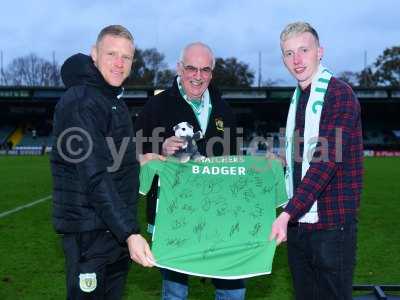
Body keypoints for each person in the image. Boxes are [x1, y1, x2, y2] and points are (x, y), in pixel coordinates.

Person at [51, 25, 157, 300]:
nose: (119, 63)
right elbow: (94, 175)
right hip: (90, 232)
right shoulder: (81, 101)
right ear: (94, 54)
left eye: (126, 57)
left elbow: (111, 157)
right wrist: (130, 233)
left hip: (113, 231)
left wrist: (140, 160)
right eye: (112, 54)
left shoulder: (111, 99)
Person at [134, 42, 245, 300]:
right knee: (175, 290)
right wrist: (160, 148)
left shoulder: (225, 111)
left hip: (219, 213)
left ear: (212, 73)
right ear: (179, 68)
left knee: (233, 287)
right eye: (191, 68)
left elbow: (236, 161)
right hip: (174, 214)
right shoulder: (157, 106)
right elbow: (131, 149)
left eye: (205, 70)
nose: (198, 76)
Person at [269, 22, 363, 299]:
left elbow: (325, 161)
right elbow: (300, 158)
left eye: (303, 50)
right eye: (288, 53)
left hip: (332, 226)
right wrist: (280, 162)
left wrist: (287, 213)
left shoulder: (339, 94)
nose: (296, 60)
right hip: (300, 226)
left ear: (319, 52)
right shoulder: (297, 99)